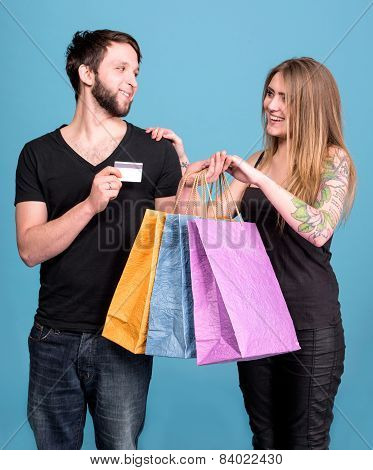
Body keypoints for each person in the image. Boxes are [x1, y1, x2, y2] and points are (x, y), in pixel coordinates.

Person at [14, 29, 217, 450]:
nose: (133, 81)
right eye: (121, 68)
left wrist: (186, 174)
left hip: (125, 337)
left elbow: (185, 236)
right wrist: (89, 204)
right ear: (87, 74)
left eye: (137, 72)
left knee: (121, 455)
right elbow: (30, 249)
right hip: (54, 336)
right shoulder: (37, 154)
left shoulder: (155, 150)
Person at [148, 57, 356, 449]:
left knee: (305, 445)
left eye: (285, 98)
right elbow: (209, 224)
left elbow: (318, 227)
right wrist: (183, 168)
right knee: (265, 441)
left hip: (310, 324)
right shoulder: (260, 159)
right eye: (270, 93)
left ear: (311, 106)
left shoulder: (332, 160)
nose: (271, 105)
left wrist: (256, 177)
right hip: (256, 321)